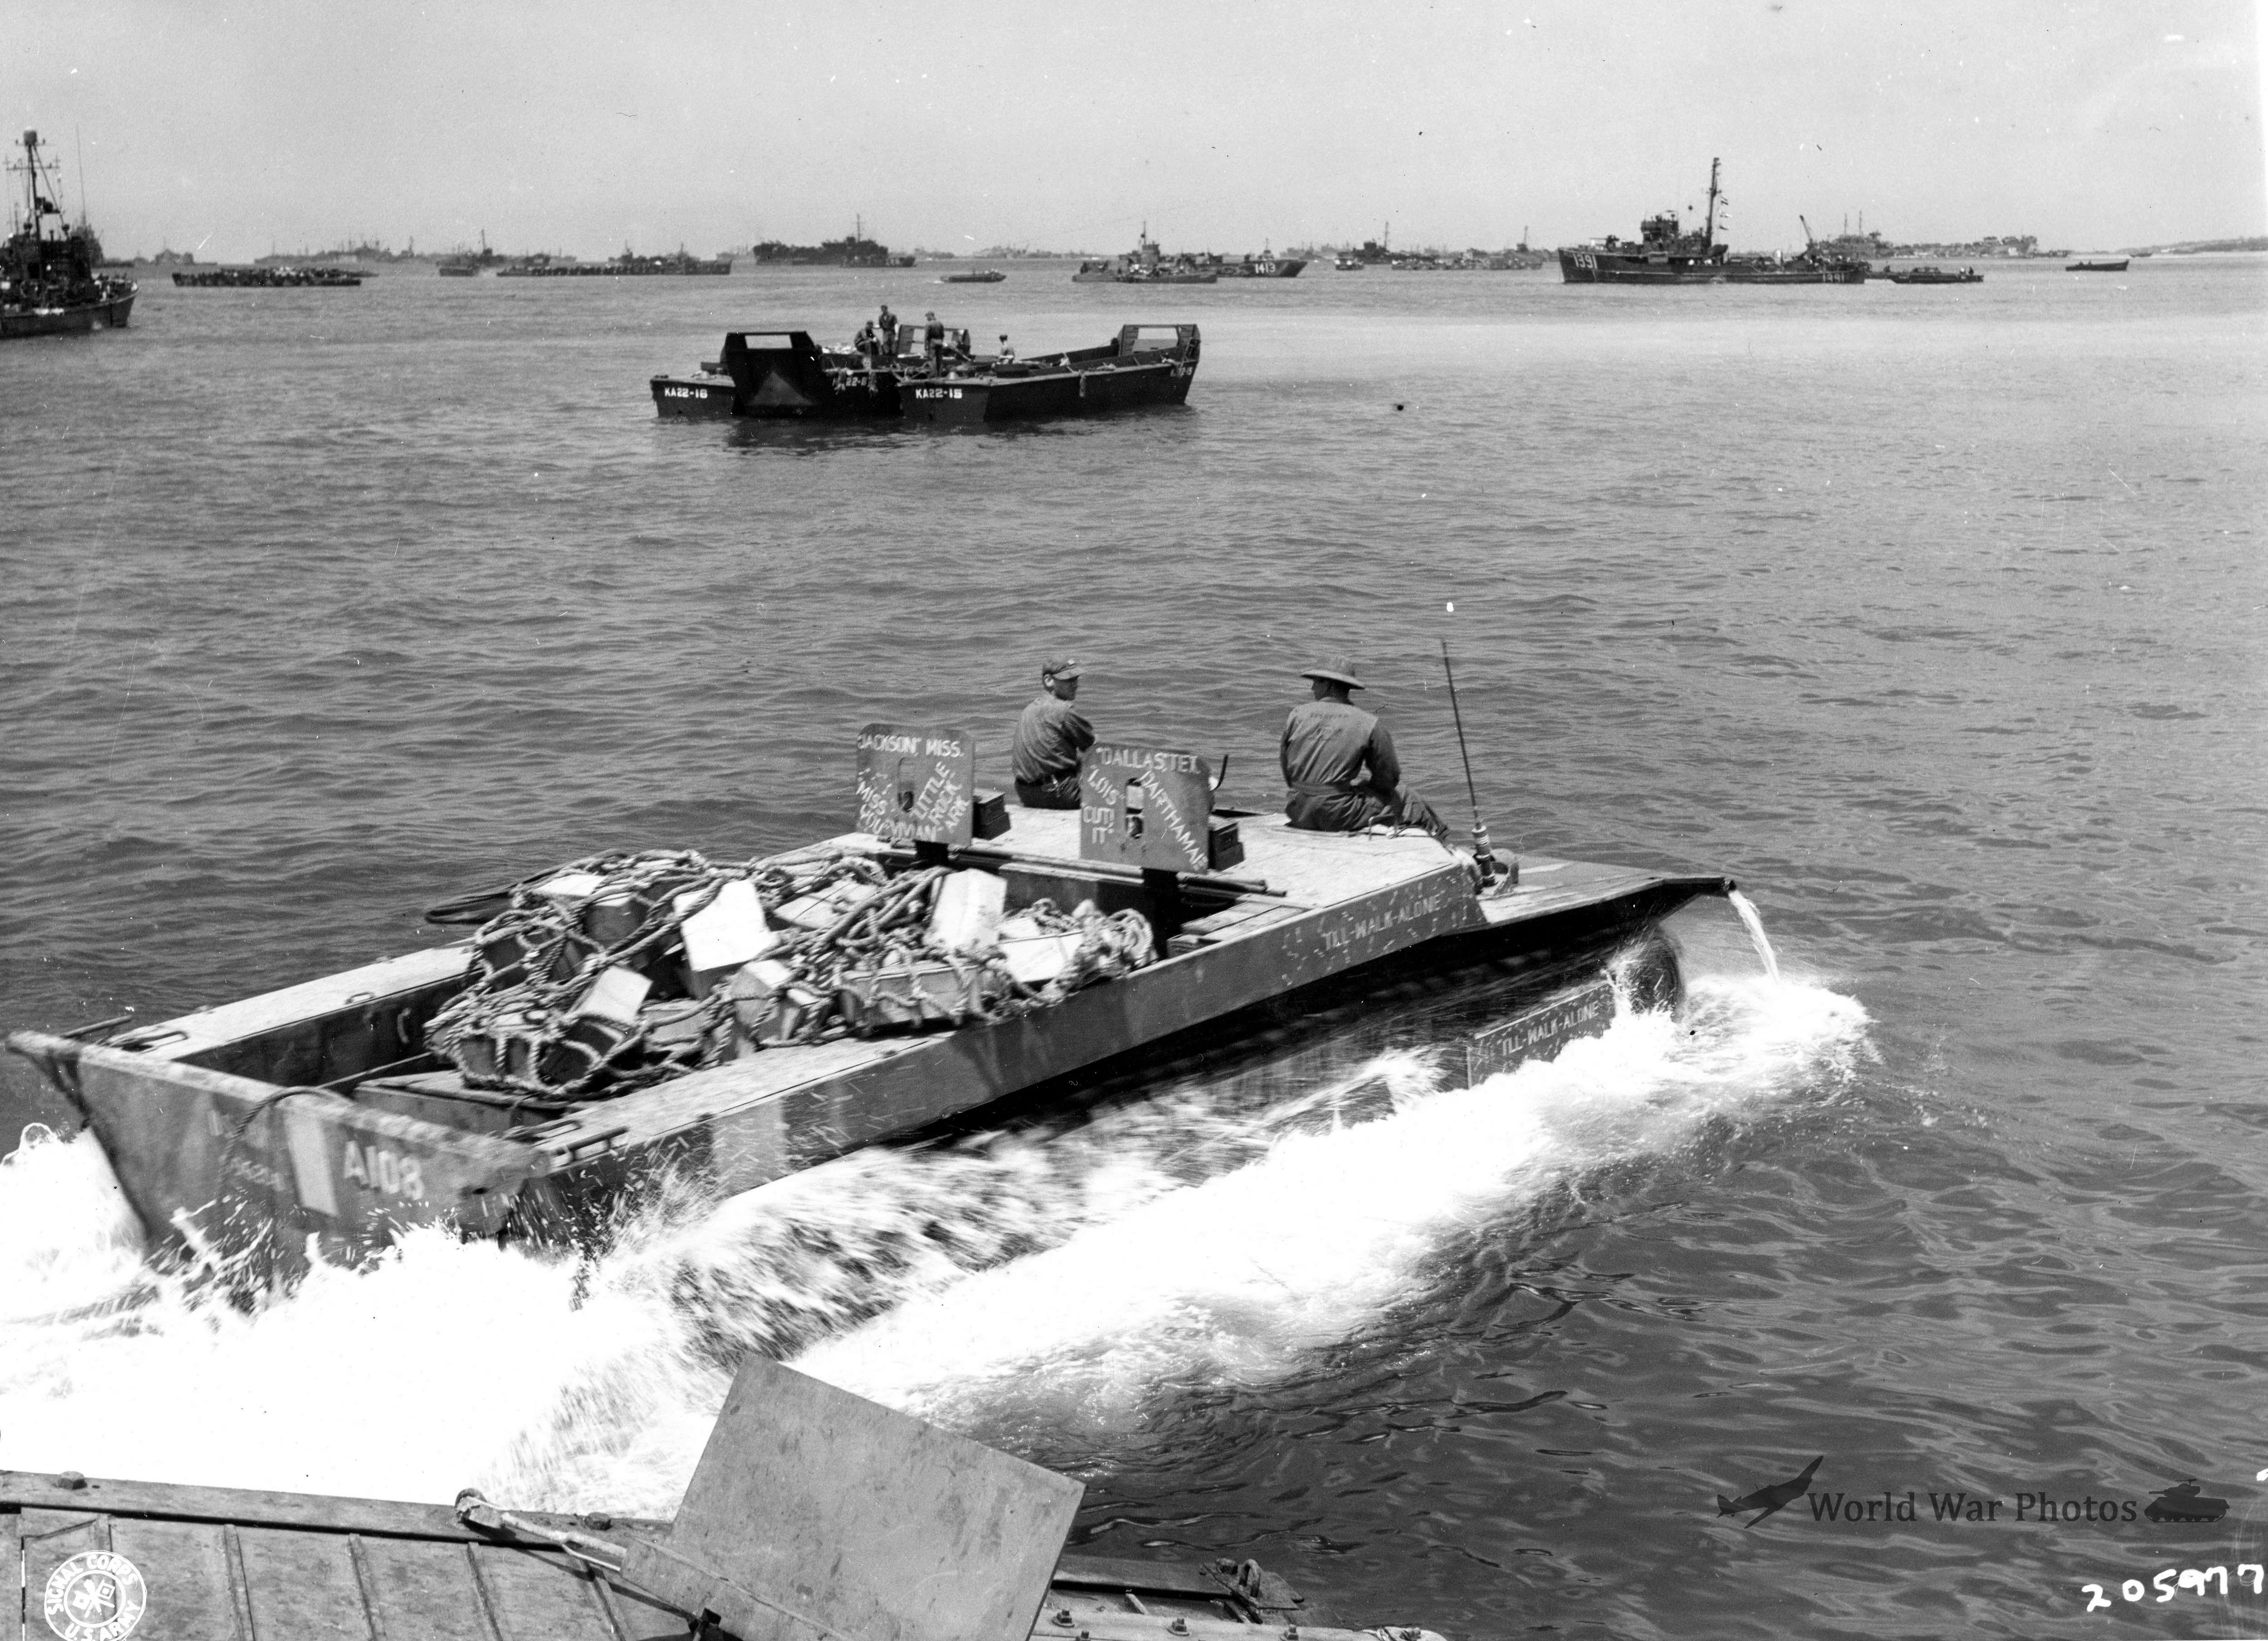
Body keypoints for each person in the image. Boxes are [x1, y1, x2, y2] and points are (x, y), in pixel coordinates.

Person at [1279, 659, 1448, 840]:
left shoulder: (1297, 715)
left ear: (1329, 686)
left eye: (1317, 682)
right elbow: (1389, 779)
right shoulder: (1368, 723)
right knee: (1407, 796)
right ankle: (1446, 847)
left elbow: (1287, 769)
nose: (1312, 688)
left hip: (1297, 811)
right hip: (1337, 816)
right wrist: (1367, 789)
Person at [1012, 656, 1094, 809]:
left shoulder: (1028, 710)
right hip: (1059, 794)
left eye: (1076, 679)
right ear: (1049, 681)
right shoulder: (1064, 711)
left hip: (1026, 795)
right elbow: (1095, 749)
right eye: (1069, 680)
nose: (1075, 684)